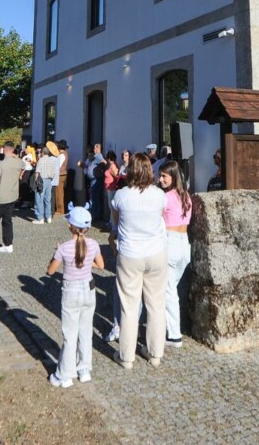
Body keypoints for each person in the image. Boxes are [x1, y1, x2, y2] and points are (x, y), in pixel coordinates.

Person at [109, 152, 168, 369]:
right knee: (156, 304)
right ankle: (155, 354)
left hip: (130, 253)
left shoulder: (121, 195)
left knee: (129, 306)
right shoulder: (159, 195)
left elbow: (116, 223)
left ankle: (126, 356)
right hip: (156, 252)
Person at [46, 206, 105, 388]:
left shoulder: (64, 248)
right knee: (85, 331)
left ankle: (65, 374)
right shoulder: (94, 244)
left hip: (71, 291)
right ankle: (84, 369)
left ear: (70, 226)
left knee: (69, 334)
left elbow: (50, 271)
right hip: (88, 289)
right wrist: (86, 265)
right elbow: (101, 265)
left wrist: (58, 255)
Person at [158, 160, 193, 348]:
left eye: (164, 176)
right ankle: (168, 327)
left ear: (173, 177)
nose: (160, 179)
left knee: (169, 291)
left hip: (170, 241)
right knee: (172, 288)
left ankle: (174, 335)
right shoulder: (186, 196)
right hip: (184, 243)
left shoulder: (166, 198)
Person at [34, 142, 61, 224]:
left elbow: (37, 171)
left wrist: (35, 181)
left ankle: (40, 218)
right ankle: (48, 217)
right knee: (47, 200)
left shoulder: (41, 160)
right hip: (49, 180)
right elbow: (54, 172)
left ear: (43, 152)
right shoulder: (52, 160)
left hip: (41, 180)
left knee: (39, 199)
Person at [55, 141, 70, 217]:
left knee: (59, 192)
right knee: (59, 192)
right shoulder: (63, 154)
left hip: (60, 175)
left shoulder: (62, 155)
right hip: (62, 174)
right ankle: (59, 209)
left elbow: (58, 166)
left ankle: (60, 210)